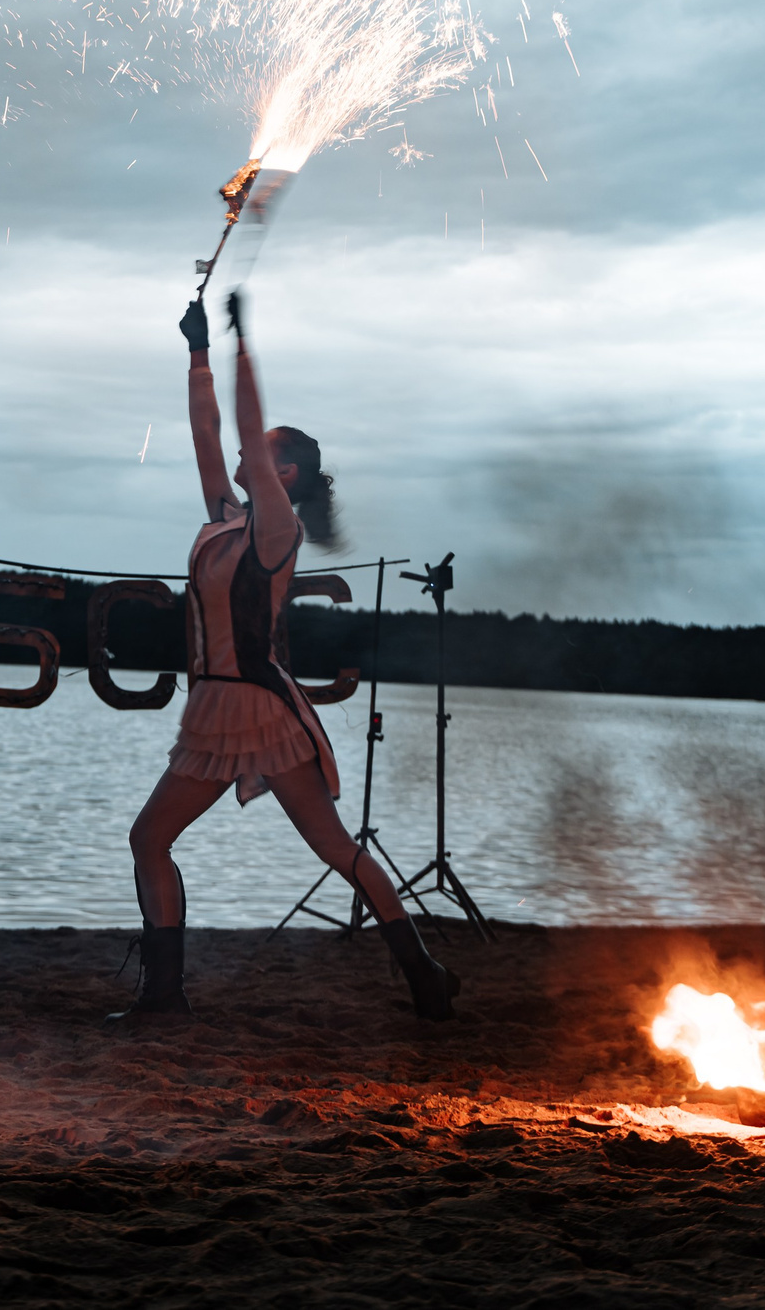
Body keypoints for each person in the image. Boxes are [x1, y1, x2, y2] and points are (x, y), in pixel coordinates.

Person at [113, 289, 461, 1022]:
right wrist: (197, 351)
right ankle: (167, 993)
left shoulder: (275, 530)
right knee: (153, 838)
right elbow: (209, 432)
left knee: (331, 845)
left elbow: (239, 421)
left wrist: (243, 342)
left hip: (262, 709)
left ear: (287, 476)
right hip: (216, 709)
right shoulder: (224, 520)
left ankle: (421, 972)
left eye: (263, 450)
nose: (244, 451)